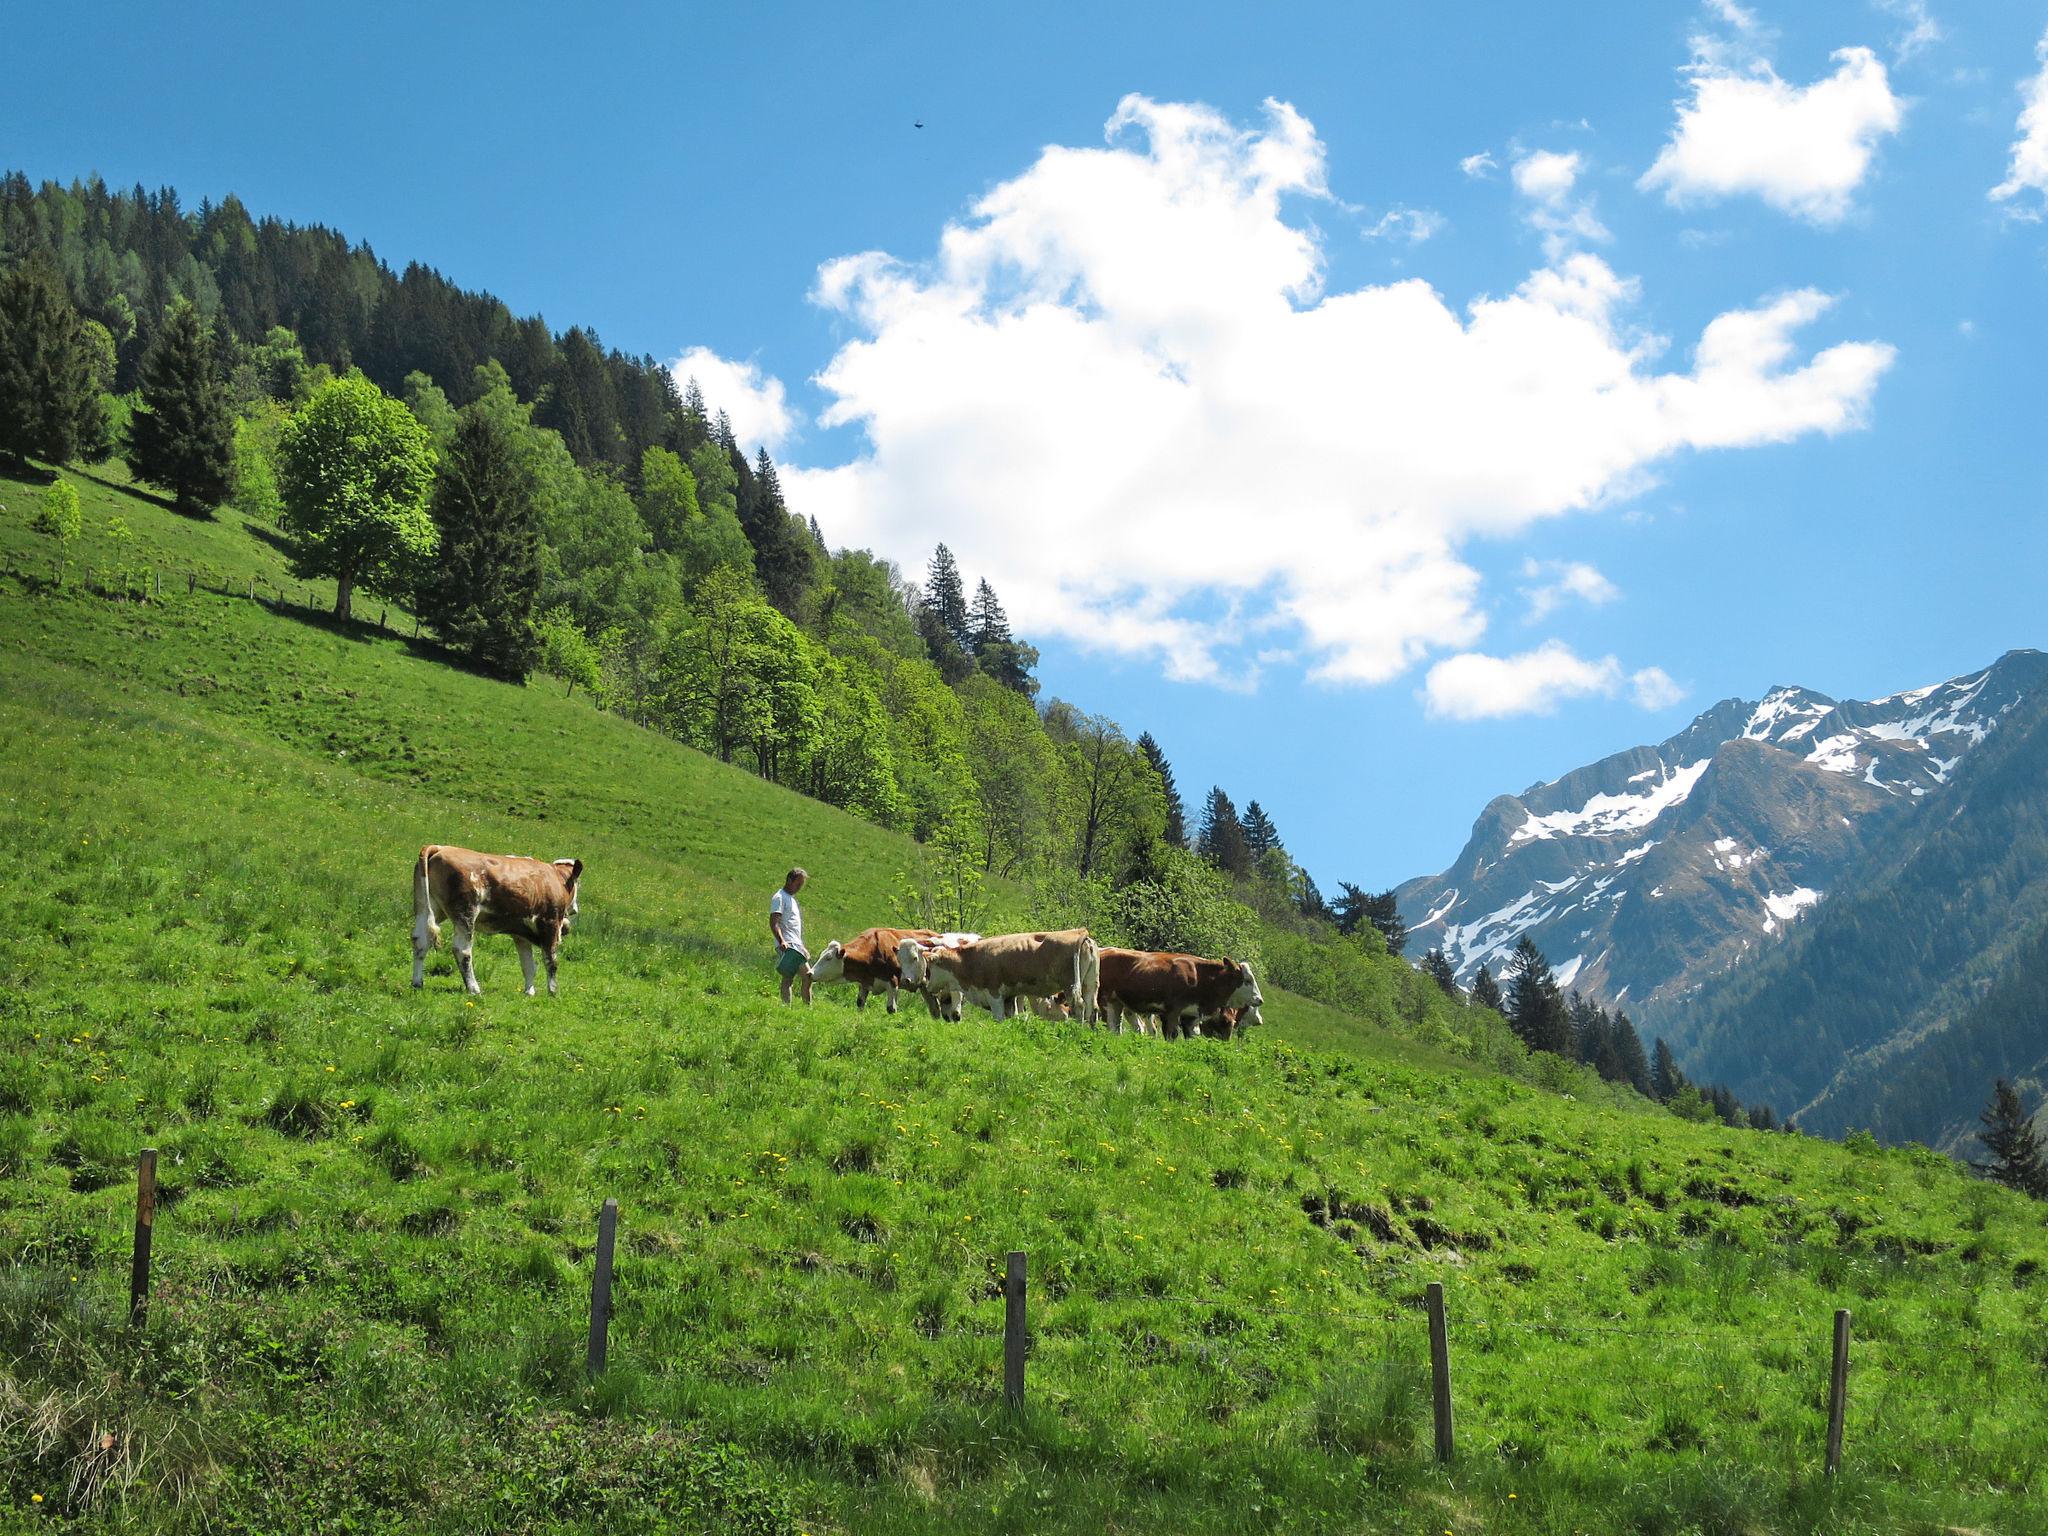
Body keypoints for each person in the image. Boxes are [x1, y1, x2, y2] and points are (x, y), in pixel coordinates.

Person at [769, 867, 812, 1004]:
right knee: (804, 976)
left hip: (796, 944)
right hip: (788, 945)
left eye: (801, 885)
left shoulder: (792, 900)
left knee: (795, 977)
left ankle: (791, 1006)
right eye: (798, 884)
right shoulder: (779, 897)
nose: (799, 888)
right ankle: (800, 1007)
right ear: (789, 880)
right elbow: (774, 922)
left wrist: (802, 946)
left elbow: (794, 928)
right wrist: (782, 941)